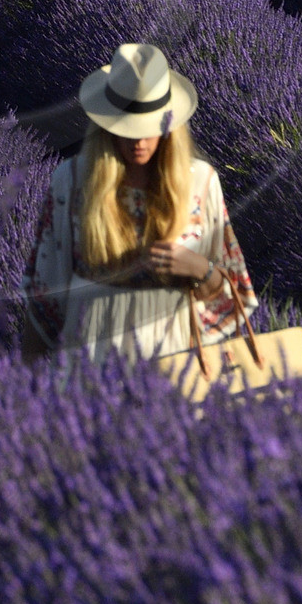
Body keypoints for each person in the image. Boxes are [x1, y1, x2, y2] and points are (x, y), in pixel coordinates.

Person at [20, 42, 258, 368]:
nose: (139, 141)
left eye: (149, 129)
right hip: (90, 365)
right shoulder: (72, 181)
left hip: (176, 366)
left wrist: (197, 269)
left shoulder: (201, 183)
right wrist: (23, 383)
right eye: (128, 129)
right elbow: (44, 294)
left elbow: (233, 294)